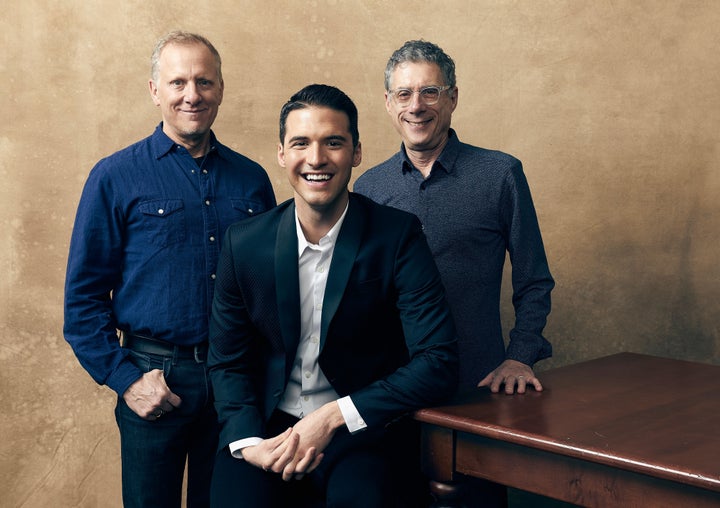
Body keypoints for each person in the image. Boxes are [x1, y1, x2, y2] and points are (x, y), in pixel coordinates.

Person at [207, 84, 459, 507]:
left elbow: (438, 362)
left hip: (362, 430)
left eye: (334, 143)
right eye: (301, 143)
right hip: (268, 427)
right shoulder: (242, 245)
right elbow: (228, 362)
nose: (317, 159)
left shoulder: (397, 236)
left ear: (356, 152)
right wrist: (250, 443)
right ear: (282, 154)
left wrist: (332, 417)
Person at [63, 31, 276, 508]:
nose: (192, 95)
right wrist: (126, 380)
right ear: (155, 90)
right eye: (178, 82)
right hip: (153, 374)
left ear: (221, 89)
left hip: (234, 382)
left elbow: (271, 291)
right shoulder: (114, 176)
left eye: (204, 82)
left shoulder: (253, 179)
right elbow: (83, 302)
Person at [354, 40, 554, 396]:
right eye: (403, 94)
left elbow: (534, 279)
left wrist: (521, 356)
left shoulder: (500, 175)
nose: (416, 106)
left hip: (476, 383)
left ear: (453, 98)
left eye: (430, 92)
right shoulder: (369, 187)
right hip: (389, 389)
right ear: (388, 102)